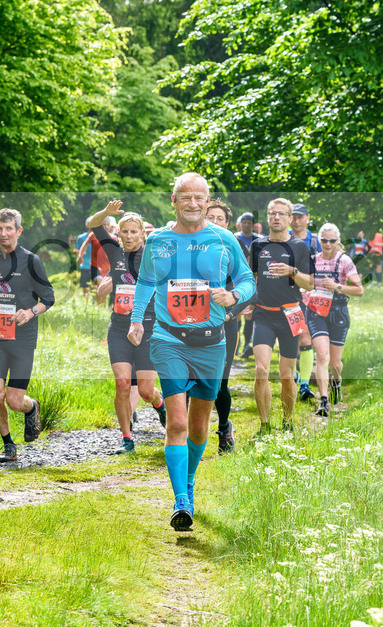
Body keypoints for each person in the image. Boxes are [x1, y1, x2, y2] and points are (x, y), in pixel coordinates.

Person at [128, 173, 255, 531]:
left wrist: (234, 296)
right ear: (174, 200)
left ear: (208, 199)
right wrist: (137, 320)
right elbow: (147, 281)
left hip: (212, 342)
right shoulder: (159, 240)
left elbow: (247, 280)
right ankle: (181, 501)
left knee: (200, 427)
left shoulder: (223, 238)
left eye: (200, 198)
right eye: (186, 198)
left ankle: (189, 482)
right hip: (169, 339)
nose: (193, 204)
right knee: (178, 422)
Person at [0, 208, 55, 463]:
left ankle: (32, 407)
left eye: (8, 229)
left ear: (18, 231)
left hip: (23, 339)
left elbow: (48, 298)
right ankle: (8, 445)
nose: (3, 233)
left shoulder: (31, 261)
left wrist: (31, 312)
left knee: (14, 400)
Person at [85, 200, 166, 454]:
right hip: (119, 327)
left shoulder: (152, 256)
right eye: (125, 232)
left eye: (134, 232)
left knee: (144, 390)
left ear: (143, 234)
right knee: (122, 384)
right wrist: (106, 213)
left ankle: (159, 404)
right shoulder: (115, 253)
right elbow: (93, 224)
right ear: (118, 234)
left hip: (147, 328)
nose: (129, 236)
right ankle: (126, 437)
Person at [249, 198, 315, 435]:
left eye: (281, 214)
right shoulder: (258, 246)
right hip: (263, 315)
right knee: (261, 370)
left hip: (290, 314)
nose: (276, 218)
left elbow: (310, 282)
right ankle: (265, 425)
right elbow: (252, 278)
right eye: (272, 213)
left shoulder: (299, 247)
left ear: (289, 218)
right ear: (267, 218)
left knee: (287, 376)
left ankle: (288, 422)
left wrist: (292, 271)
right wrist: (247, 302)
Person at [205, 199, 253, 453]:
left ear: (227, 224)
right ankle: (190, 435)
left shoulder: (232, 246)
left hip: (225, 321)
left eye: (219, 218)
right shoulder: (190, 244)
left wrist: (230, 311)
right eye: (209, 217)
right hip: (192, 320)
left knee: (219, 382)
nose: (213, 222)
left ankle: (224, 428)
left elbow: (249, 286)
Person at [306, 223, 364, 416]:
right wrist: (305, 292)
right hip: (316, 311)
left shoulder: (345, 261)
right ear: (318, 240)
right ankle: (323, 401)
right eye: (324, 240)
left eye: (332, 240)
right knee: (322, 356)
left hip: (338, 311)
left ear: (337, 241)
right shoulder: (312, 260)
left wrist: (337, 286)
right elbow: (305, 284)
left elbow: (359, 290)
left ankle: (336, 382)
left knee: (335, 363)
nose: (328, 244)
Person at [289, 204, 322, 402]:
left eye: (300, 217)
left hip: (312, 295)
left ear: (307, 218)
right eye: (293, 216)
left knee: (305, 336)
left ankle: (304, 383)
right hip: (288, 294)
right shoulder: (283, 238)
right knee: (288, 336)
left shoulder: (316, 241)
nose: (296, 220)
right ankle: (292, 376)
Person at [234, 212, 263, 358]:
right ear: (239, 224)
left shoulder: (259, 240)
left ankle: (247, 345)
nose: (246, 225)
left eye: (249, 223)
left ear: (253, 225)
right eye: (243, 222)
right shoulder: (235, 238)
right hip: (235, 279)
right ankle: (237, 344)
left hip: (252, 278)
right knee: (236, 313)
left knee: (249, 314)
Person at [75, 226, 97, 295]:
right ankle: (86, 301)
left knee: (95, 285)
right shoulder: (81, 237)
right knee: (85, 285)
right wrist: (80, 253)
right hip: (85, 265)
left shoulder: (99, 237)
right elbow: (75, 249)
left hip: (96, 266)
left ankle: (95, 302)